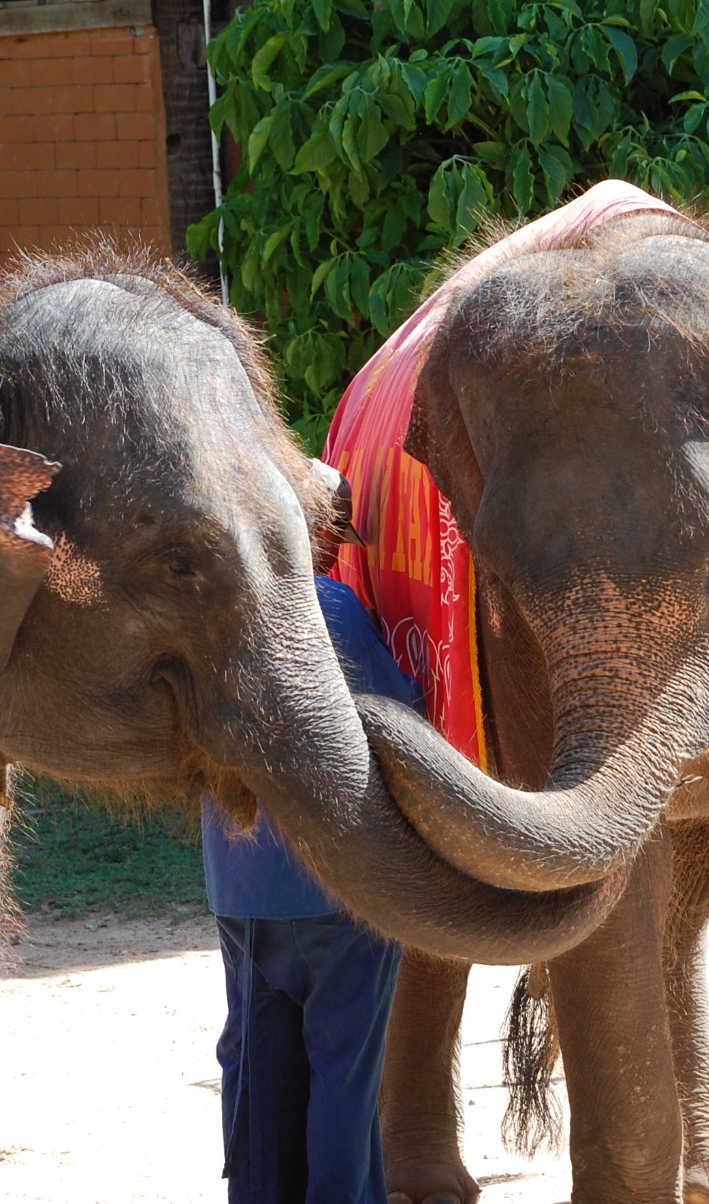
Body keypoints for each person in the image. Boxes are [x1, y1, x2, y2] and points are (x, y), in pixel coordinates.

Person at [202, 469, 416, 1204]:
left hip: (239, 891)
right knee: (343, 1075)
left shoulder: (211, 606)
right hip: (340, 892)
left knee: (259, 1070)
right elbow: (403, 711)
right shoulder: (332, 606)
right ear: (321, 535)